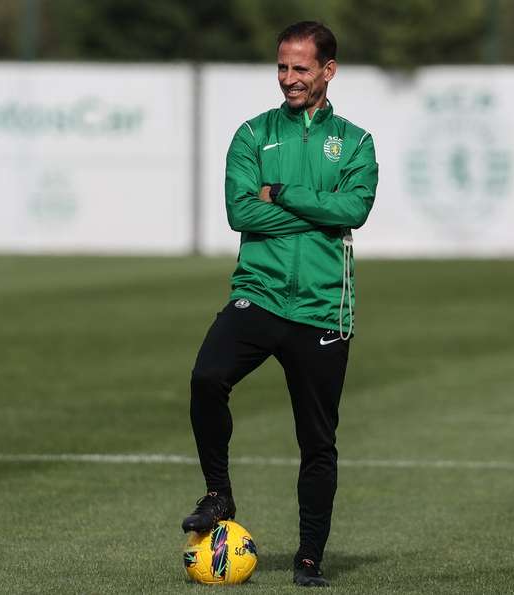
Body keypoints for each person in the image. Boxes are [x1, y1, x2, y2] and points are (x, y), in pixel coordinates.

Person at [181, 21, 379, 588]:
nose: (289, 79)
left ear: (328, 71)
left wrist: (282, 192)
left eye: (300, 68)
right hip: (259, 293)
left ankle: (309, 558)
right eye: (282, 68)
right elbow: (241, 213)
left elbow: (355, 209)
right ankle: (219, 493)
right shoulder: (252, 135)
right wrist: (320, 207)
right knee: (206, 377)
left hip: (322, 308)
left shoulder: (357, 141)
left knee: (317, 442)